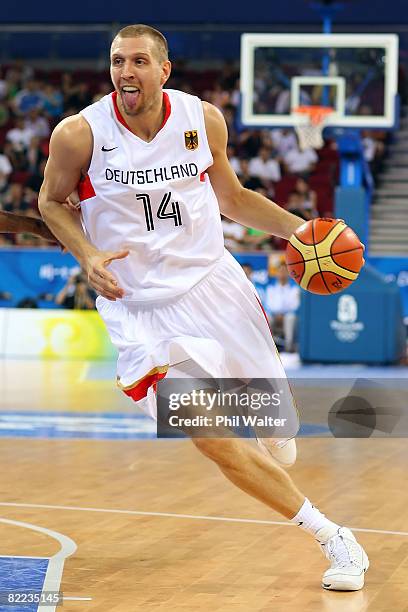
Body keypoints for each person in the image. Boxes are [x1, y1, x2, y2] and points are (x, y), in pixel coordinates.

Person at [38, 24, 369, 592]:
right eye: (118, 61)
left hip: (213, 287)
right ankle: (332, 535)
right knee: (209, 432)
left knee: (276, 431)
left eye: (139, 61)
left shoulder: (202, 119)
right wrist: (88, 253)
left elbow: (233, 198)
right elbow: (49, 202)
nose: (125, 72)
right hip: (139, 309)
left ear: (164, 70)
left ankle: (273, 422)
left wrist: (304, 232)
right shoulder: (79, 134)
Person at [265, 263, 300, 353]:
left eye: (285, 272)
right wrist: (277, 313)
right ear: (276, 273)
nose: (282, 274)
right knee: (267, 317)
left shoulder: (294, 288)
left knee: (290, 318)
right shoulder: (271, 288)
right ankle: (268, 347)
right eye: (280, 271)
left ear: (288, 274)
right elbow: (269, 305)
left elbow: (294, 305)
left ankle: (289, 347)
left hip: (287, 315)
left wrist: (283, 314)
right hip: (274, 315)